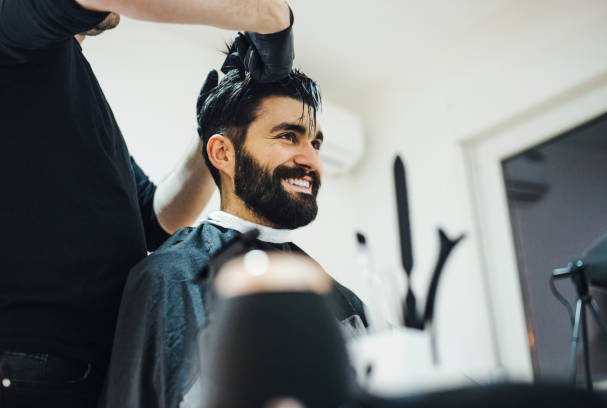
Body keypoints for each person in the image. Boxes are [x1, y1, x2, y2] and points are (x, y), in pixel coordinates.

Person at [0, 0, 293, 406]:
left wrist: (211, 130)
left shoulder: (69, 82)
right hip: (38, 365)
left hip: (100, 368)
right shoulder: (12, 25)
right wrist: (273, 18)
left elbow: (159, 219)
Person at [101, 57, 367, 408]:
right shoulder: (166, 280)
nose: (311, 159)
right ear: (223, 153)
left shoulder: (346, 302)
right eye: (289, 136)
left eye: (315, 143)